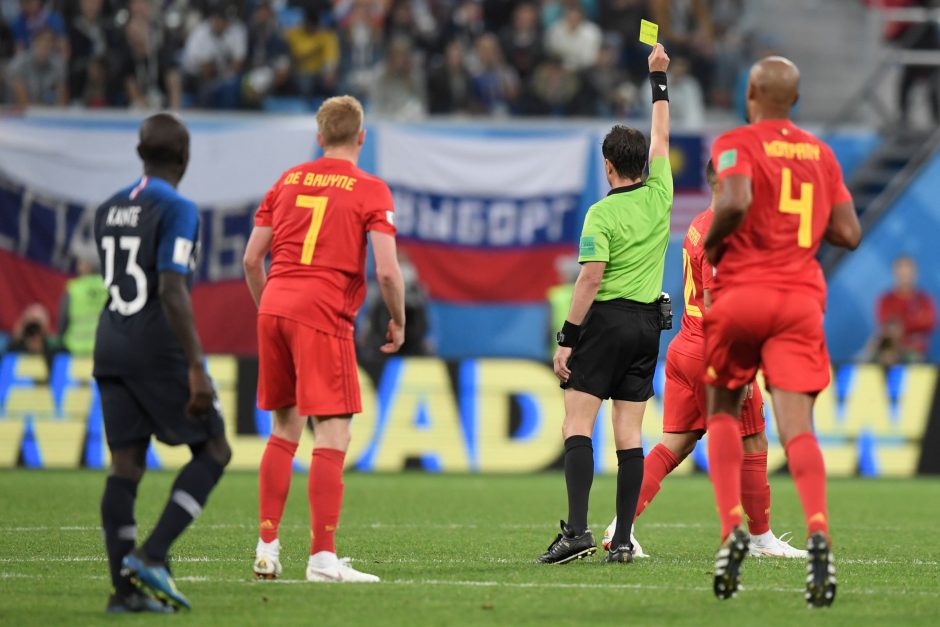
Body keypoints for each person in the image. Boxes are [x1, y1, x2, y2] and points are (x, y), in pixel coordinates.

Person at [701, 56, 861, 606]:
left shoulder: (736, 142)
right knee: (799, 429)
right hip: (799, 301)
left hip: (743, 295)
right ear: (795, 99)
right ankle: (818, 530)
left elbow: (737, 199)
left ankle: (731, 532)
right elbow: (850, 232)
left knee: (722, 409)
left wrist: (715, 244)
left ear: (750, 92)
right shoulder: (822, 153)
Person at [598, 160, 805, 559]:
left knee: (675, 444)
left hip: (685, 349)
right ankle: (761, 539)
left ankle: (619, 527)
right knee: (753, 438)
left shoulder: (699, 223)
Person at [243, 95, 405, 583]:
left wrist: (271, 309)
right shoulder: (370, 188)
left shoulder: (287, 180)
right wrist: (398, 321)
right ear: (361, 137)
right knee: (333, 433)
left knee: (283, 429)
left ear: (319, 137)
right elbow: (389, 272)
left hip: (273, 307)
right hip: (322, 311)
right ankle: (322, 559)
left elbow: (252, 259)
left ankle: (267, 546)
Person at [536, 43, 672, 566]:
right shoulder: (661, 193)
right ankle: (621, 540)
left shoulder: (600, 214)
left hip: (608, 319)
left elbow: (590, 277)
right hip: (647, 325)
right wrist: (658, 79)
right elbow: (661, 133)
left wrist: (567, 338)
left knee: (577, 422)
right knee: (631, 433)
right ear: (644, 164)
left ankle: (576, 532)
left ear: (609, 165)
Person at [94, 113, 232, 613]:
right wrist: (195, 365)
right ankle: (151, 555)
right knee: (215, 449)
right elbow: (172, 288)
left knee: (126, 465)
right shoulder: (177, 207)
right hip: (157, 348)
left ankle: (124, 594)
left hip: (109, 345)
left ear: (139, 154)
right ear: (185, 157)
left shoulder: (107, 208)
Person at [874, 256, 936, 364]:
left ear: (915, 273)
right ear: (895, 273)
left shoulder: (924, 300)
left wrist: (902, 326)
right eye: (901, 271)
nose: (905, 276)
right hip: (890, 350)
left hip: (915, 353)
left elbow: (929, 322)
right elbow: (886, 325)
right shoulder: (886, 300)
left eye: (908, 271)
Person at [57, 253, 108, 356]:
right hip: (102, 349)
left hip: (75, 350)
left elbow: (62, 320)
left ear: (88, 266)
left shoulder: (74, 288)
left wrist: (60, 337)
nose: (77, 266)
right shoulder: (108, 287)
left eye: (80, 263)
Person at [6, 26, 67, 106]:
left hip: (45, 111)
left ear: (53, 46)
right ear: (34, 42)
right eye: (41, 41)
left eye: (49, 42)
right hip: (15, 112)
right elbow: (22, 101)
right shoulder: (19, 63)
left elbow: (61, 99)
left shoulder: (58, 65)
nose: (45, 44)